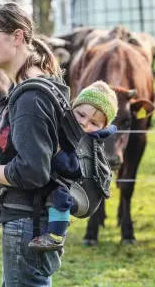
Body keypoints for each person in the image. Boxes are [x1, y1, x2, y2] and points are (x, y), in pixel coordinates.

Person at [0, 1, 67, 287]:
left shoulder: (31, 97)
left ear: (18, 36)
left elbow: (33, 171)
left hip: (27, 221)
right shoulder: (27, 88)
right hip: (29, 219)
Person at [28, 81, 118, 252]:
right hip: (74, 184)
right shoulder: (72, 129)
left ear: (103, 127)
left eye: (94, 123)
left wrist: (55, 154)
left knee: (59, 194)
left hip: (82, 191)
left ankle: (56, 235)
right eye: (81, 115)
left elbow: (73, 168)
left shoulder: (89, 141)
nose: (85, 124)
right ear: (72, 108)